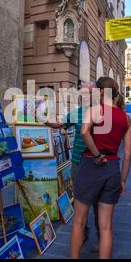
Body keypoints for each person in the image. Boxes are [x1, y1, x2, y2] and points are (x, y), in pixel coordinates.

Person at [71, 77, 131, 259]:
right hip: (113, 168)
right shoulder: (125, 117)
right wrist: (122, 180)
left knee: (79, 221)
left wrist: (97, 154)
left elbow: (84, 132)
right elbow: (128, 154)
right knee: (106, 225)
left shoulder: (95, 110)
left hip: (92, 164)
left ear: (100, 92)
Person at [45, 82, 99, 249]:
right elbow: (58, 124)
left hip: (96, 163)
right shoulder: (76, 113)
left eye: (87, 92)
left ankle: (100, 237)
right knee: (79, 199)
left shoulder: (102, 113)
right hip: (78, 162)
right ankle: (83, 232)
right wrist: (41, 119)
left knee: (98, 202)